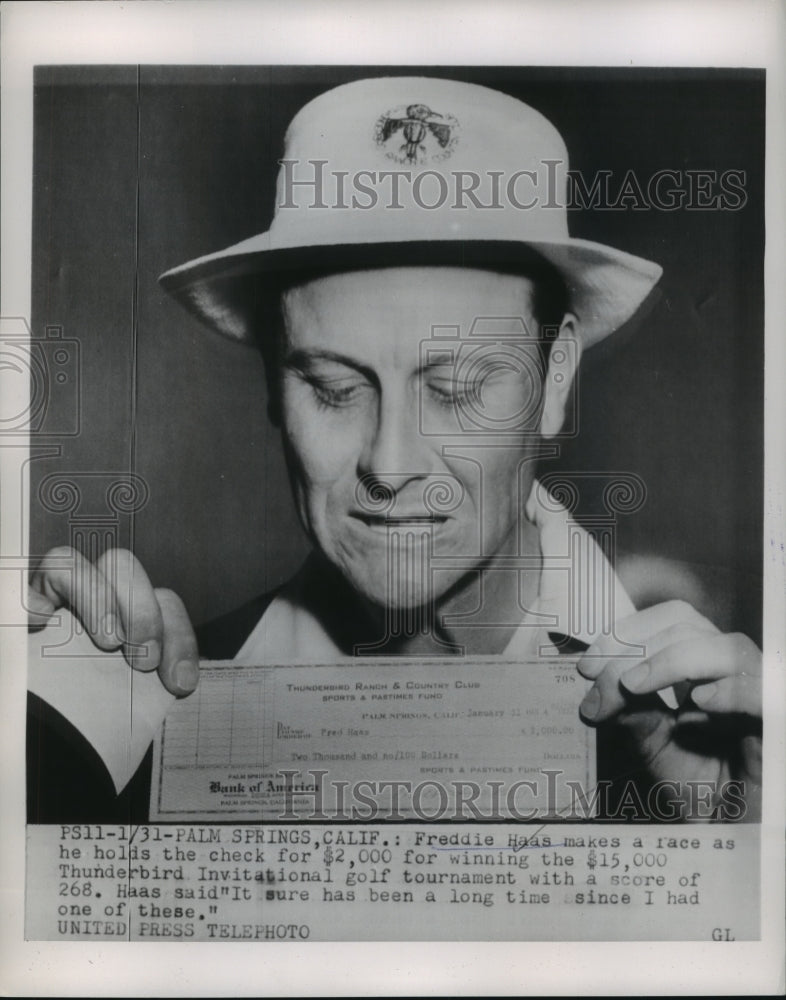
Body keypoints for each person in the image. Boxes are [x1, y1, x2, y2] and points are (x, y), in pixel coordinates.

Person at [26, 76, 762, 823]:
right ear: (274, 387)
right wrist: (33, 733)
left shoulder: (734, 744)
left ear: (556, 378)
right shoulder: (148, 704)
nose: (390, 463)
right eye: (336, 388)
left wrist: (747, 854)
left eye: (458, 390)